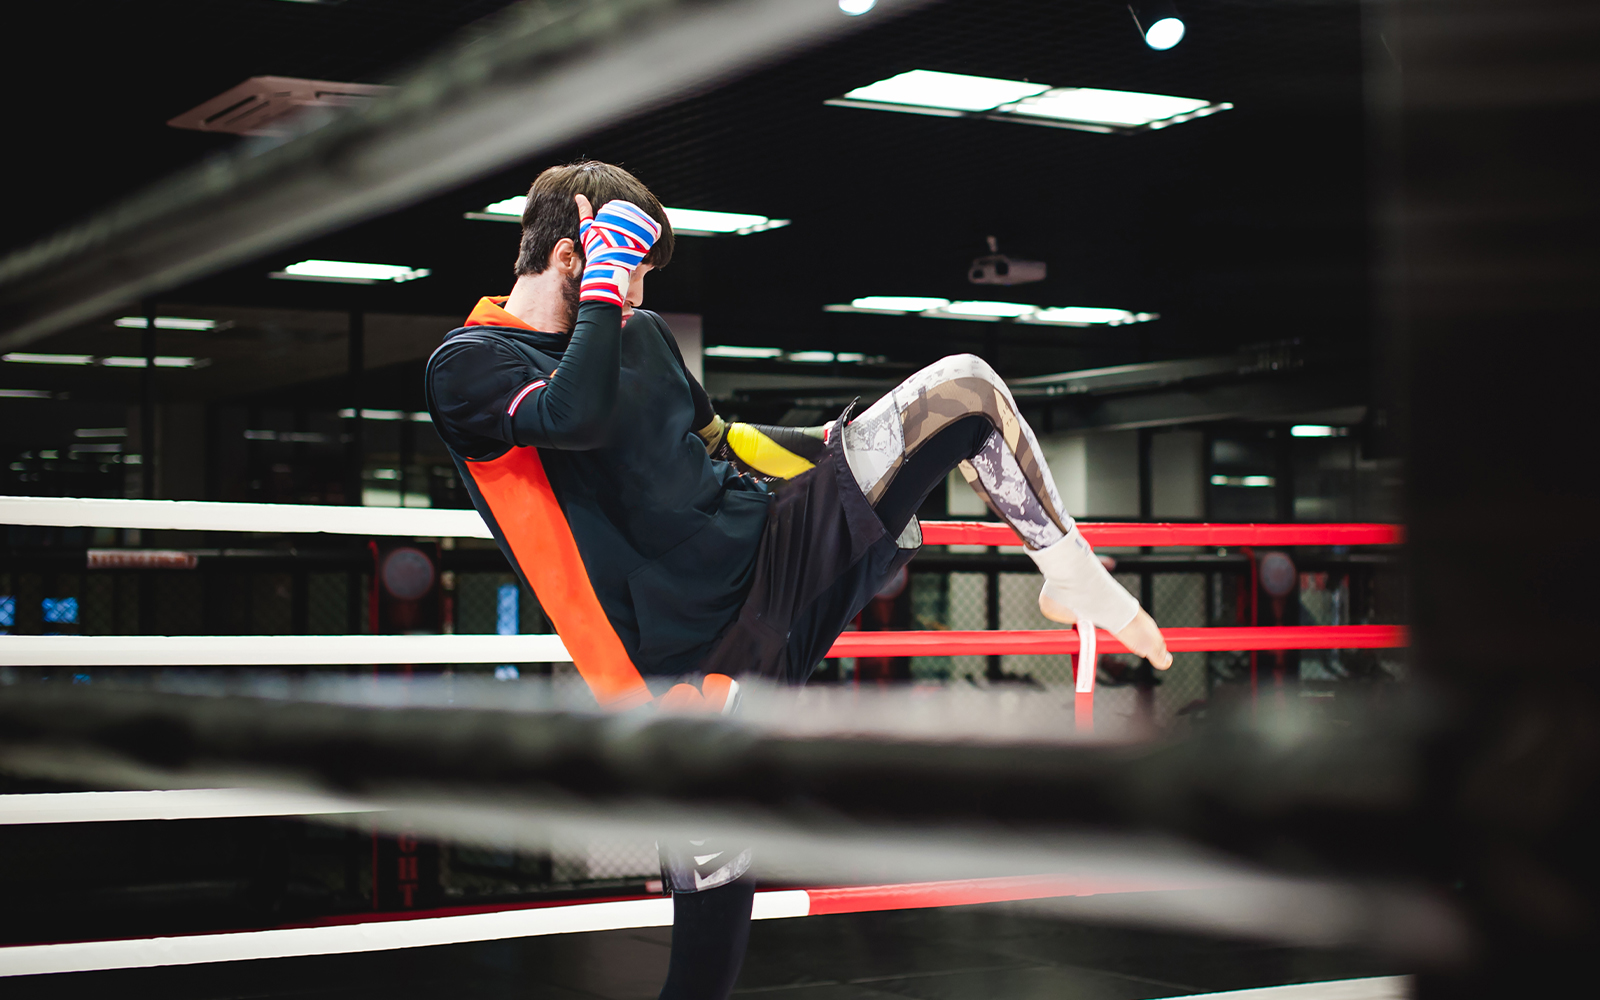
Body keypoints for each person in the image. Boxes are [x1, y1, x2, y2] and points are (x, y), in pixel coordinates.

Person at [425, 160, 1172, 1000]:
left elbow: (719, 438)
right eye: (625, 266)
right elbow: (573, 415)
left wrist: (829, 445)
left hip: (771, 551)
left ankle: (1070, 571)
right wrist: (604, 282)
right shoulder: (469, 364)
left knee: (962, 390)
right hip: (682, 654)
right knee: (713, 908)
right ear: (574, 254)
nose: (633, 291)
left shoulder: (637, 333)